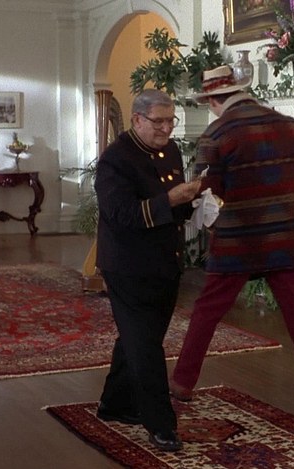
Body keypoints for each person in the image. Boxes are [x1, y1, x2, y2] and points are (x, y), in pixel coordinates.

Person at [169, 65, 294, 411]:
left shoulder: (217, 133)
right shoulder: (287, 124)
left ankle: (182, 383)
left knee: (208, 309)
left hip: (238, 237)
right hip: (285, 235)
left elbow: (205, 188)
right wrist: (292, 200)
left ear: (214, 100)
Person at [94, 89, 201, 452]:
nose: (167, 129)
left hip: (165, 261)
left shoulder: (170, 151)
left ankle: (114, 404)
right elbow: (121, 215)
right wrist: (170, 199)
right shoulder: (115, 160)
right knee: (146, 347)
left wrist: (194, 201)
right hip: (128, 266)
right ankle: (161, 425)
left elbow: (174, 209)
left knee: (140, 338)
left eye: (171, 121)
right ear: (137, 119)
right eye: (159, 122)